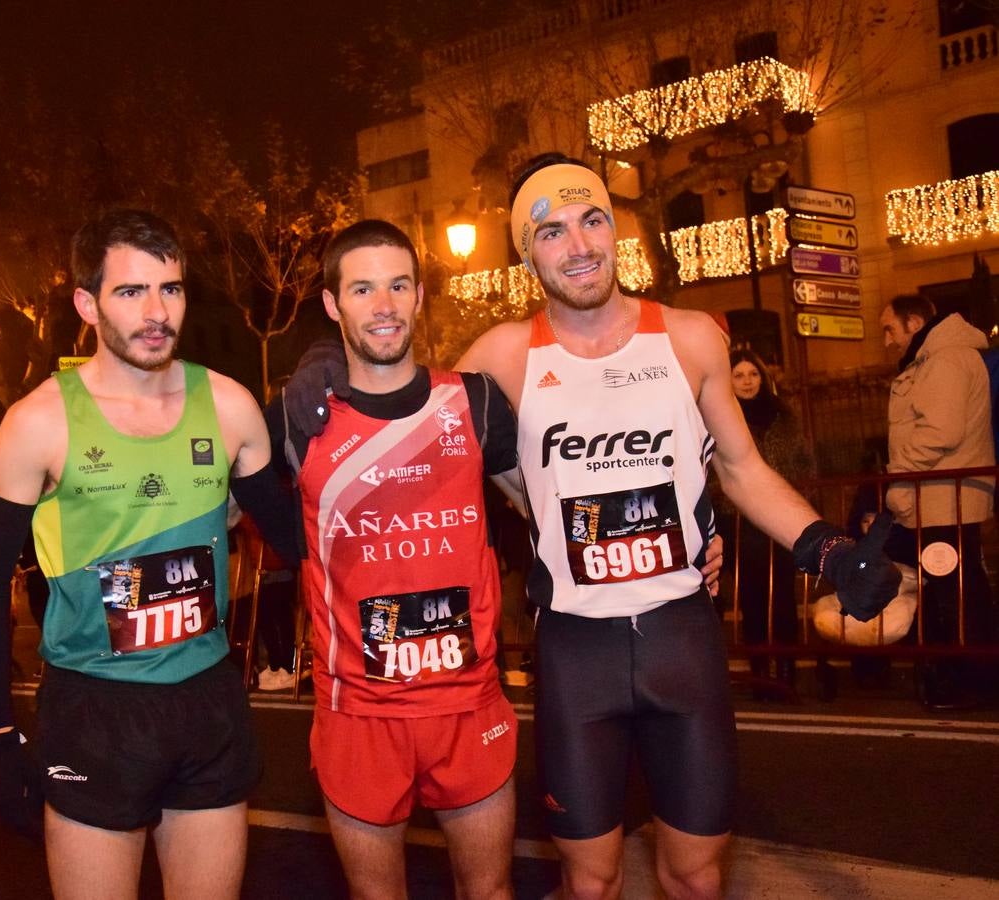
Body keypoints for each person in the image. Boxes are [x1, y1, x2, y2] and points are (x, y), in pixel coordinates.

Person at [288, 154, 899, 899]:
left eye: (592, 220)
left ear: (618, 230)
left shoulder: (689, 337)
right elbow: (415, 419)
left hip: (683, 641)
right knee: (590, 881)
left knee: (699, 878)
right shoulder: (503, 357)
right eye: (551, 231)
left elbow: (741, 469)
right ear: (528, 254)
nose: (577, 244)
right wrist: (327, 366)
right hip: (578, 654)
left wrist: (827, 550)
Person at [0, 208, 296, 899]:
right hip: (96, 709)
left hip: (207, 698)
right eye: (130, 292)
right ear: (87, 303)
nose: (156, 312)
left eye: (170, 289)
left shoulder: (231, 406)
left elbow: (300, 541)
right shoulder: (38, 421)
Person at [272, 220, 524, 898]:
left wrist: (694, 535)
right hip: (358, 714)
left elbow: (551, 505)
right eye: (361, 289)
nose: (382, 305)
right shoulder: (298, 421)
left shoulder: (474, 403)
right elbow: (227, 506)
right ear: (333, 305)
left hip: (470, 703)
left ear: (418, 298)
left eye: (397, 286)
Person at [878, 293, 996, 709]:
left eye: (890, 328)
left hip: (945, 496)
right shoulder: (940, 357)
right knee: (959, 587)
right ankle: (973, 676)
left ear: (914, 322)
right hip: (943, 495)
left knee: (953, 590)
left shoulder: (944, 360)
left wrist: (899, 473)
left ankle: (968, 680)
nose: (888, 340)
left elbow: (940, 431)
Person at [721, 349, 814, 694]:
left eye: (753, 374)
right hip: (741, 522)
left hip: (780, 518)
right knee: (753, 597)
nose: (747, 381)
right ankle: (761, 670)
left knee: (783, 597)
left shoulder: (782, 416)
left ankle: (785, 668)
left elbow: (803, 463)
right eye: (739, 375)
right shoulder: (719, 416)